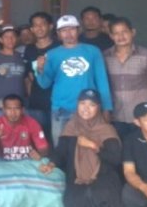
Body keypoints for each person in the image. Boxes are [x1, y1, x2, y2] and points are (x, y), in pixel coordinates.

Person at [45, 89, 122, 207]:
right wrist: (51, 164)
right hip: (77, 178)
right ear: (77, 105)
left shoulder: (106, 129)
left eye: (91, 105)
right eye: (82, 103)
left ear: (98, 107)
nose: (86, 108)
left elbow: (115, 159)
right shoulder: (71, 127)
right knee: (73, 206)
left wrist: (94, 146)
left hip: (103, 177)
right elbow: (61, 152)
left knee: (101, 196)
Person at [36, 14, 113, 146]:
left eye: (72, 29)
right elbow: (44, 84)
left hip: (88, 109)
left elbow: (102, 81)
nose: (68, 34)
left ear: (79, 30)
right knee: (61, 149)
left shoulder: (93, 51)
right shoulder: (52, 54)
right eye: (64, 30)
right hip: (61, 109)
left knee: (87, 149)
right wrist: (40, 69)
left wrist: (106, 108)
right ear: (58, 34)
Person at [104, 17, 147, 139]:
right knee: (121, 151)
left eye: (124, 32)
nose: (121, 36)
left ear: (132, 32)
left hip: (142, 116)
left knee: (143, 151)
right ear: (111, 36)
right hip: (115, 115)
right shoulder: (104, 57)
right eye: (116, 33)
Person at [23, 12, 58, 138]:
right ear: (31, 29)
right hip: (36, 100)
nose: (39, 28)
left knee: (56, 136)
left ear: (50, 26)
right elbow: (28, 77)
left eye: (42, 24)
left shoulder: (59, 47)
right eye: (35, 25)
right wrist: (30, 96)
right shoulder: (29, 49)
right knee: (38, 135)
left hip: (56, 100)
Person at [0, 95, 49, 160]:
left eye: (16, 108)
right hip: (3, 164)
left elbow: (44, 148)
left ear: (22, 110)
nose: (13, 113)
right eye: (9, 109)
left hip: (27, 163)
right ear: (3, 110)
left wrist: (39, 154)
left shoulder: (32, 123)